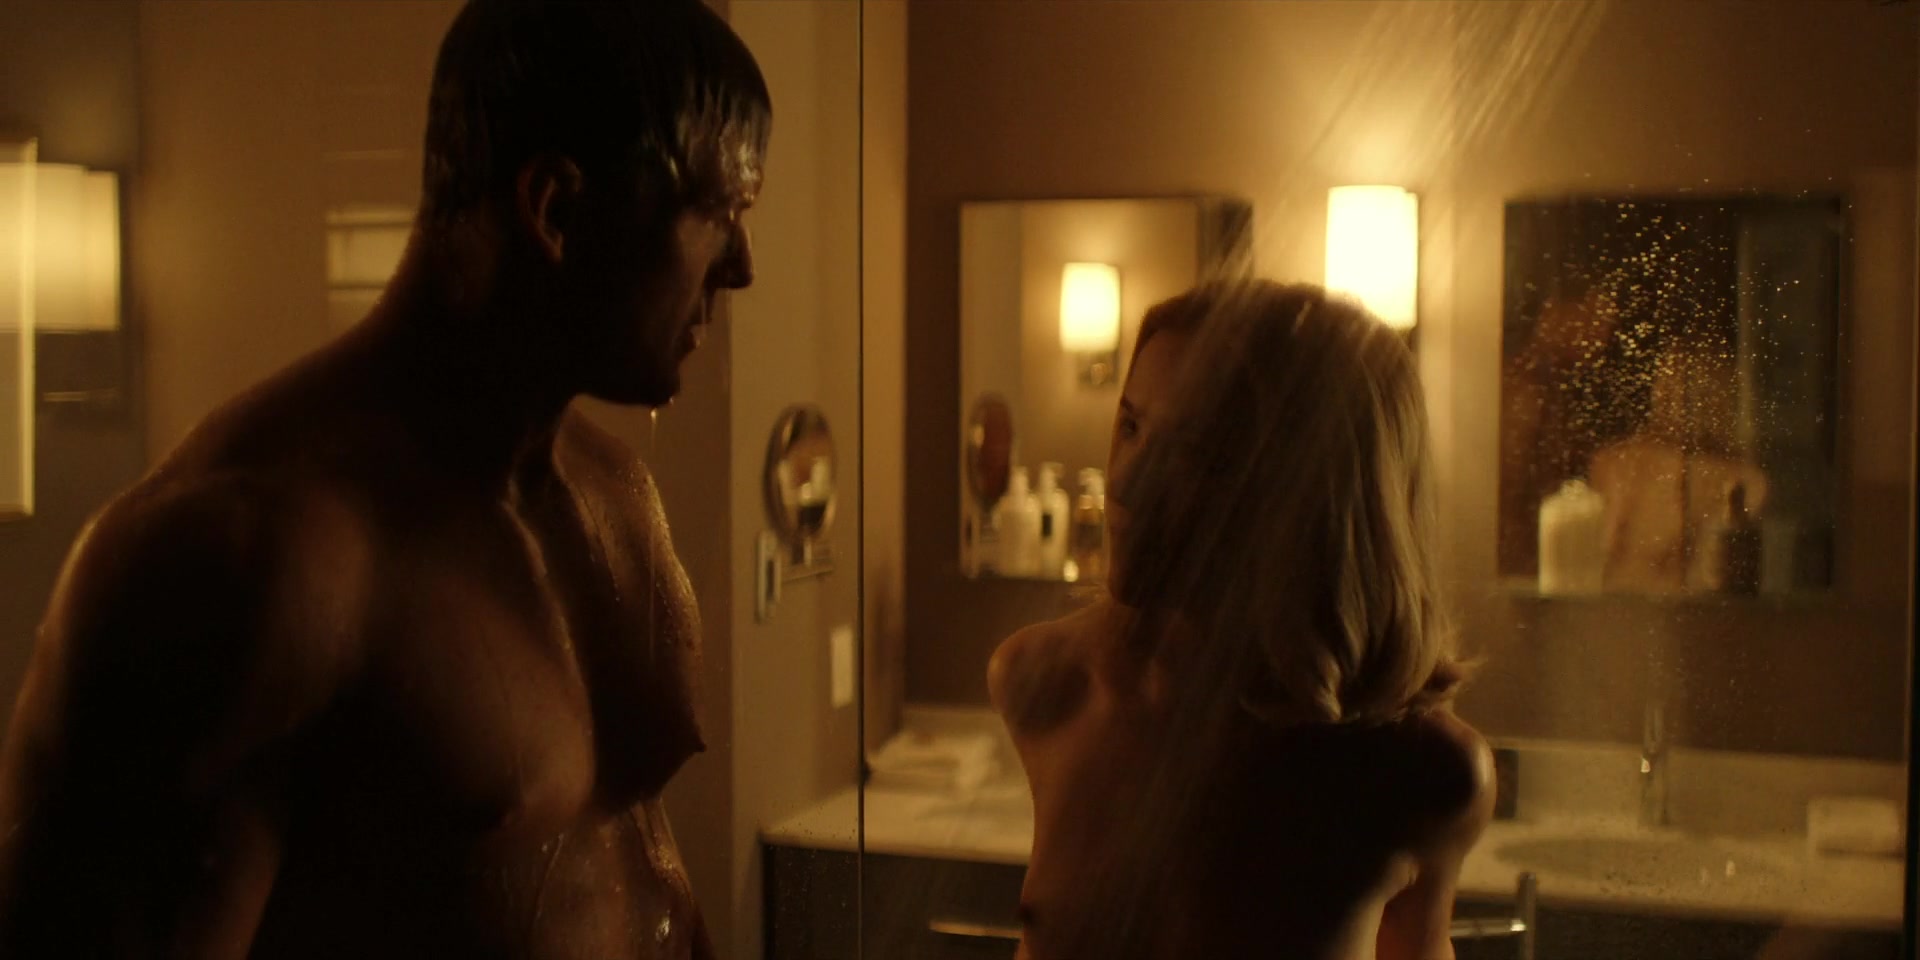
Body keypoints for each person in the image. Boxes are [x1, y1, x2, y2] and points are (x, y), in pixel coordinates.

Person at [0, 1, 764, 957]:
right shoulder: (250, 559)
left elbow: (644, 880)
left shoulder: (618, 495)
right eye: (719, 215)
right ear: (557, 211)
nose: (742, 266)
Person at [990, 280, 1493, 960]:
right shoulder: (1048, 686)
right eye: (1131, 427)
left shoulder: (1422, 773)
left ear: (1312, 492)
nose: (1126, 484)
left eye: (1192, 453)